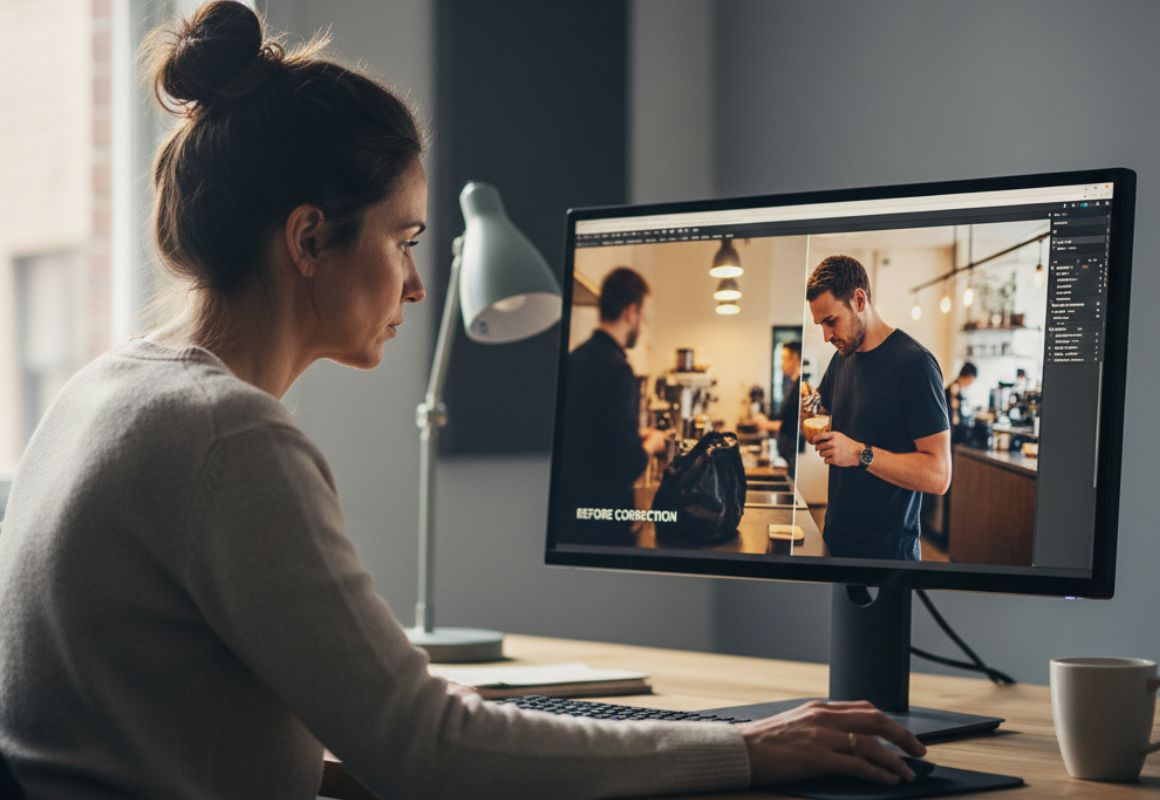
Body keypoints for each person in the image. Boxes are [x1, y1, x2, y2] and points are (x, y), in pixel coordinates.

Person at [0, 4, 924, 797]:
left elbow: (167, 733)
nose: (414, 285)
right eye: (403, 240)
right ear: (309, 237)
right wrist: (745, 747)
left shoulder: (105, 391)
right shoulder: (227, 438)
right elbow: (428, 750)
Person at [804, 255, 951, 561]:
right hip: (836, 541)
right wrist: (807, 409)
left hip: (887, 556)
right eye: (820, 325)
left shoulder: (915, 365)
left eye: (831, 321)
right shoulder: (842, 358)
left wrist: (859, 453)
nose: (826, 336)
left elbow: (939, 475)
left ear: (859, 300)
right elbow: (822, 417)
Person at [557, 267, 667, 546]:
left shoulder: (575, 359)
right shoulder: (619, 371)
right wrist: (652, 443)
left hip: (568, 518)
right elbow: (625, 465)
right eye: (642, 316)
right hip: (603, 525)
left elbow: (590, 436)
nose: (641, 325)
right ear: (631, 312)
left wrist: (635, 434)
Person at [753, 341, 805, 475]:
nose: (781, 363)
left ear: (794, 358)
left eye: (783, 358)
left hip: (792, 449)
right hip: (786, 450)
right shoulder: (791, 384)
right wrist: (767, 420)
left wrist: (766, 424)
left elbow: (791, 424)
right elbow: (784, 415)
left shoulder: (800, 386)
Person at [945, 362, 978, 444]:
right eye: (972, 380)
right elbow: (954, 413)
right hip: (951, 431)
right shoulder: (955, 388)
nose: (971, 383)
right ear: (969, 376)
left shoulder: (957, 387)